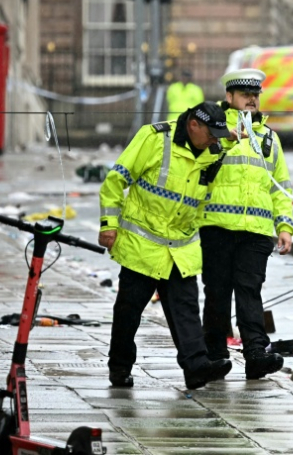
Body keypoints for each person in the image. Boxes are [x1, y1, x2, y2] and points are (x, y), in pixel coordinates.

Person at [98, 101, 233, 390]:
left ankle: (196, 367)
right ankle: (119, 368)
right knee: (128, 312)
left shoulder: (212, 151)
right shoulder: (154, 138)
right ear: (193, 125)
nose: (214, 140)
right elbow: (115, 180)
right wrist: (109, 224)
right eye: (211, 133)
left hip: (179, 247)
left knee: (186, 310)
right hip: (142, 245)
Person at [198, 68, 293, 380]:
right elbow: (199, 165)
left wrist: (285, 226)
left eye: (255, 95)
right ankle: (214, 355)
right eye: (244, 95)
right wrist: (226, 138)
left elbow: (280, 186)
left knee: (250, 291)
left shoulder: (269, 138)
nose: (251, 100)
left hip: (256, 231)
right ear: (229, 97)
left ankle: (256, 353)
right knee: (217, 292)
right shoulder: (213, 129)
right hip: (217, 226)